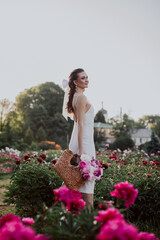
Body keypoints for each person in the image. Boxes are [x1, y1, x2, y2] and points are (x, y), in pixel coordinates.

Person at [64, 68, 96, 209]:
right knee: (87, 181)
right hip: (84, 142)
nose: (86, 80)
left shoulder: (75, 96)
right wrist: (82, 150)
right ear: (76, 82)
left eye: (87, 77)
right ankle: (89, 221)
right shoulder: (81, 97)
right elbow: (81, 123)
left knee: (74, 182)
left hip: (78, 141)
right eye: (83, 78)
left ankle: (68, 218)